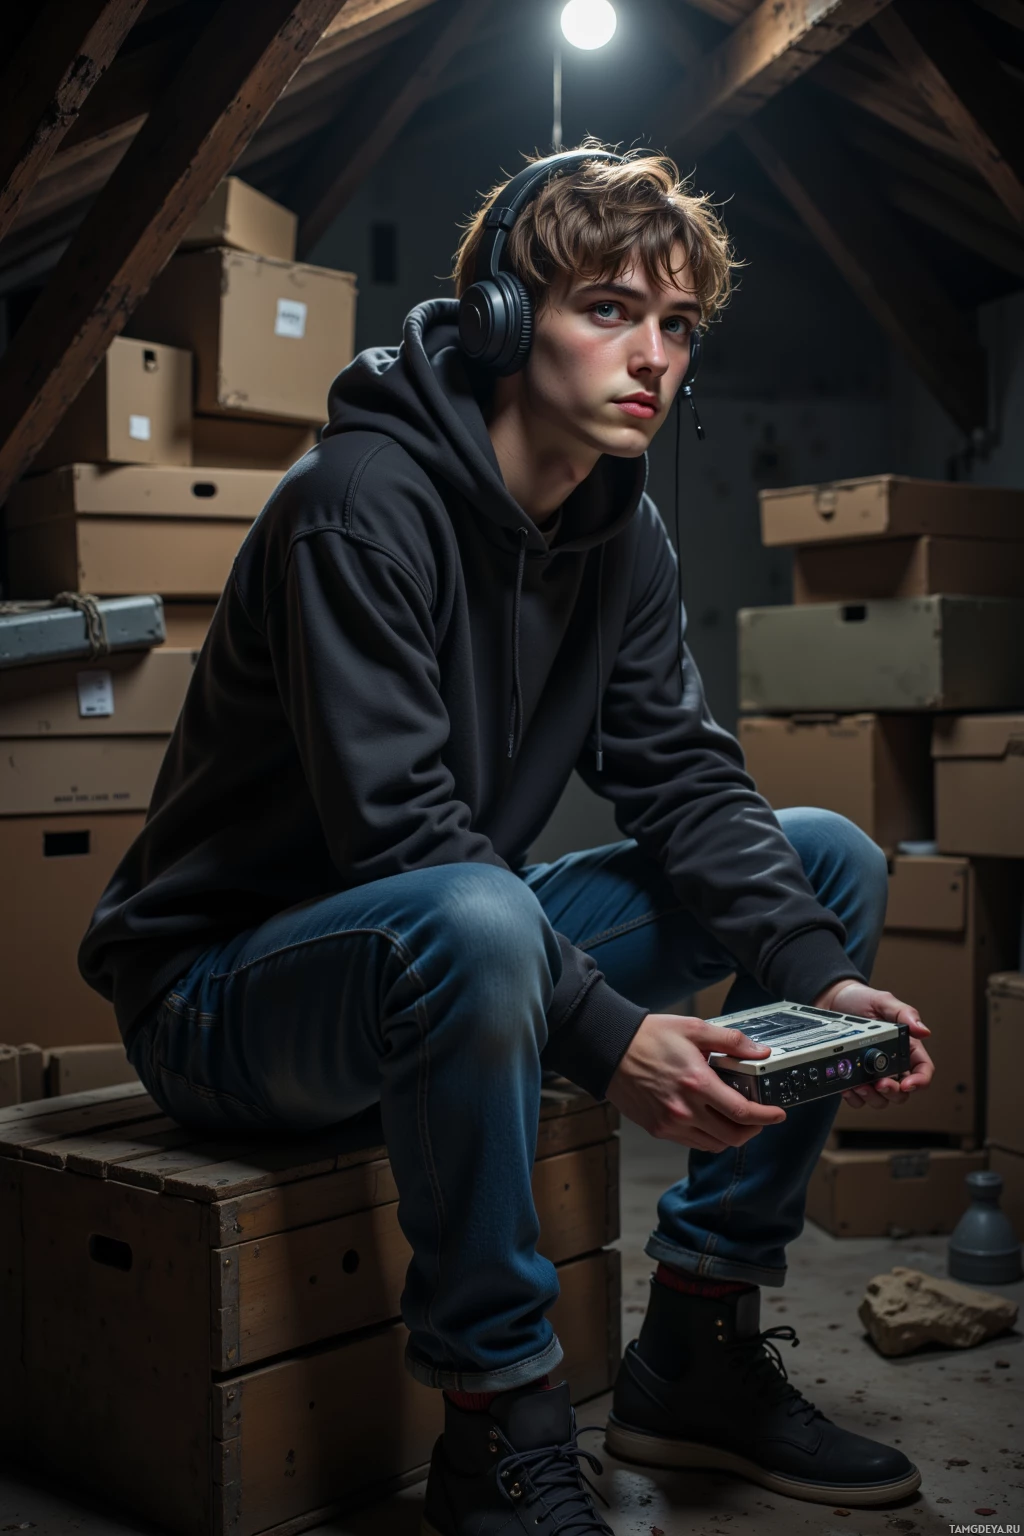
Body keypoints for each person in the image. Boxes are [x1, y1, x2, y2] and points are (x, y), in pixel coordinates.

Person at [79, 146, 935, 1535]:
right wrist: (609, 1037)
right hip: (223, 999)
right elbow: (401, 838)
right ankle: (501, 1421)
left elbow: (685, 784)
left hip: (429, 949)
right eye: (609, 309)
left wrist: (817, 978)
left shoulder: (621, 532)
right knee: (473, 911)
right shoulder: (355, 506)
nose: (650, 355)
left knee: (825, 856)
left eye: (677, 326)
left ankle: (697, 1352)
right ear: (496, 318)